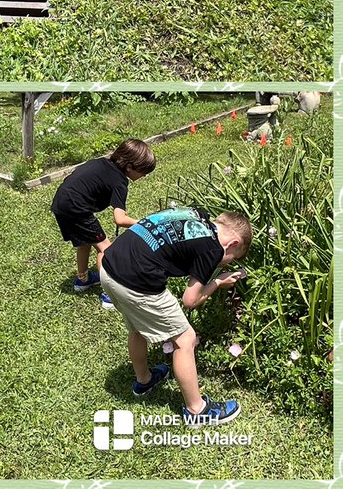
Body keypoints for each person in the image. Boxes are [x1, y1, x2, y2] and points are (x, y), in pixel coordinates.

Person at [100, 206, 252, 425]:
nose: (224, 261)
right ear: (233, 244)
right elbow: (190, 300)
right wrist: (218, 281)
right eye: (232, 258)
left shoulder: (195, 214)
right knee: (185, 339)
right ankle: (197, 410)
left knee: (136, 327)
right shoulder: (213, 247)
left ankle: (145, 380)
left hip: (110, 267)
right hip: (136, 282)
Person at [51, 139, 155, 307]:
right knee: (106, 250)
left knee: (85, 242)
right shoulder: (120, 181)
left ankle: (82, 280)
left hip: (61, 202)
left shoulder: (101, 163)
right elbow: (120, 219)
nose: (144, 176)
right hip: (77, 209)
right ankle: (109, 295)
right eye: (143, 172)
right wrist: (145, 224)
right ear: (129, 167)